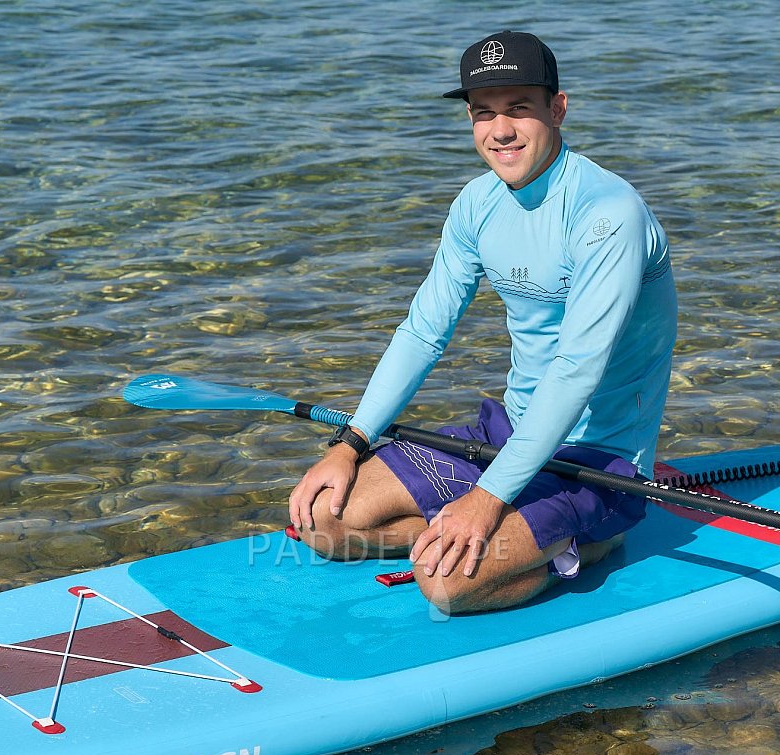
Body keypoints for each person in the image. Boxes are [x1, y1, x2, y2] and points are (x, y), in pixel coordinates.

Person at [288, 30, 677, 614]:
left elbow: (577, 369)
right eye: (484, 113)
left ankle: (595, 539)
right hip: (510, 433)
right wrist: (351, 442)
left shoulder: (608, 214)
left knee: (446, 585)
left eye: (519, 108)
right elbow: (423, 331)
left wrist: (489, 497)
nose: (501, 131)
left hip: (599, 459)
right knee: (323, 521)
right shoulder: (477, 203)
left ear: (558, 107)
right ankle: (469, 530)